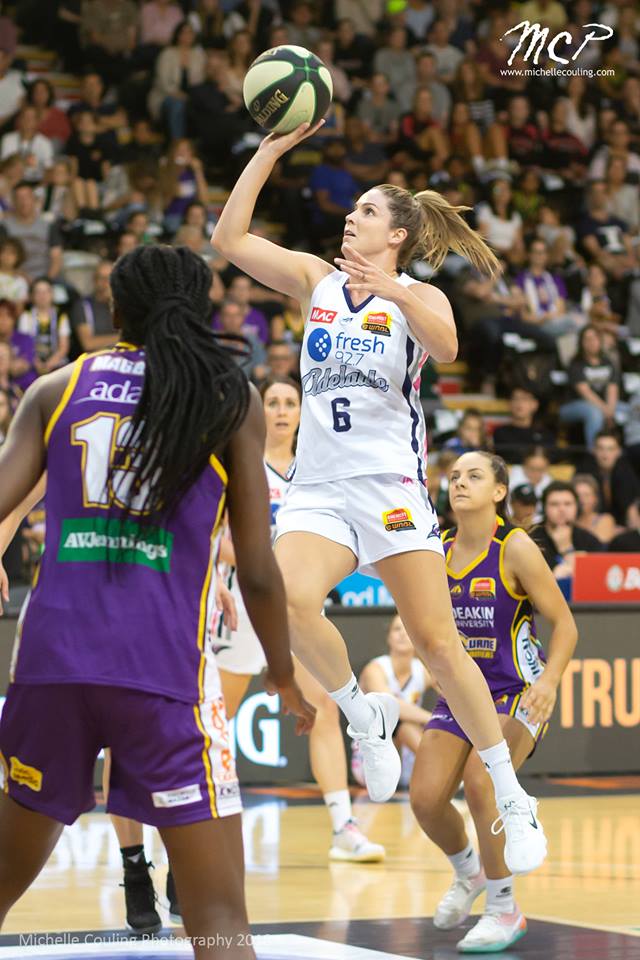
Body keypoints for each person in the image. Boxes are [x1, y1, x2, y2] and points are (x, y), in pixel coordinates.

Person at [212, 120, 550, 876]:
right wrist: (267, 152)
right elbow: (228, 239)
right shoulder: (316, 280)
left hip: (391, 488)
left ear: (396, 235)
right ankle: (363, 716)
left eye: (365, 210)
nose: (350, 217)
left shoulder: (418, 296)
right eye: (352, 208)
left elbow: (449, 346)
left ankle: (510, 791)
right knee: (287, 600)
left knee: (439, 645)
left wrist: (394, 289)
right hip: (319, 489)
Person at [0, 245, 314, 958]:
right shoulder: (226, 395)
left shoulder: (56, 388)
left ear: (115, 309)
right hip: (162, 670)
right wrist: (283, 672)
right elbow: (258, 569)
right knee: (219, 919)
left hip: (51, 663)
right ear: (199, 309)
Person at [411, 452, 577, 952]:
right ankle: (471, 871)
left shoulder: (516, 547)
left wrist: (549, 682)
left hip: (516, 690)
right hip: (464, 691)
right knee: (424, 799)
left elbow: (565, 625)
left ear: (499, 491)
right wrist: (430, 663)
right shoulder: (436, 547)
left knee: (483, 783)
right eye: (454, 477)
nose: (460, 483)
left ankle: (505, 909)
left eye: (474, 476)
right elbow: (422, 625)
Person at [215, 376, 384, 866]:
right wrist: (265, 564)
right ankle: (209, 816)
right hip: (245, 599)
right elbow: (215, 534)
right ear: (259, 410)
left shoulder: (316, 469)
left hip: (300, 604)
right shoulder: (239, 462)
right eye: (273, 402)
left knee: (326, 706)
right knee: (220, 714)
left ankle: (344, 827)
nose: (282, 410)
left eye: (291, 402)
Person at [356, 614, 433, 789]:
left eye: (407, 629)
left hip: (412, 759)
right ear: (389, 637)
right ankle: (442, 770)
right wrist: (432, 718)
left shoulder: (422, 671)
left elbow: (450, 692)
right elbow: (391, 706)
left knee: (444, 727)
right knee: (398, 721)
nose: (402, 634)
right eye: (397, 629)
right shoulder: (375, 669)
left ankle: (447, 770)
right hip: (372, 760)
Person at [530, 481, 602, 580]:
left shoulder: (589, 540)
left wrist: (567, 548)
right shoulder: (530, 538)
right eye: (554, 504)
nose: (562, 509)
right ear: (544, 508)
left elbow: (597, 576)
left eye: (568, 504)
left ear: (577, 507)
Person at [492, 388, 555, 464]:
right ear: (509, 403)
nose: (519, 403)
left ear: (535, 404)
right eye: (516, 398)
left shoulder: (546, 435)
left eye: (525, 399)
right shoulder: (500, 433)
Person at [573, 473, 617, 544]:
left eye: (586, 495)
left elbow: (600, 546)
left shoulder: (605, 519)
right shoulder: (569, 521)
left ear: (595, 498)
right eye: (577, 495)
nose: (581, 499)